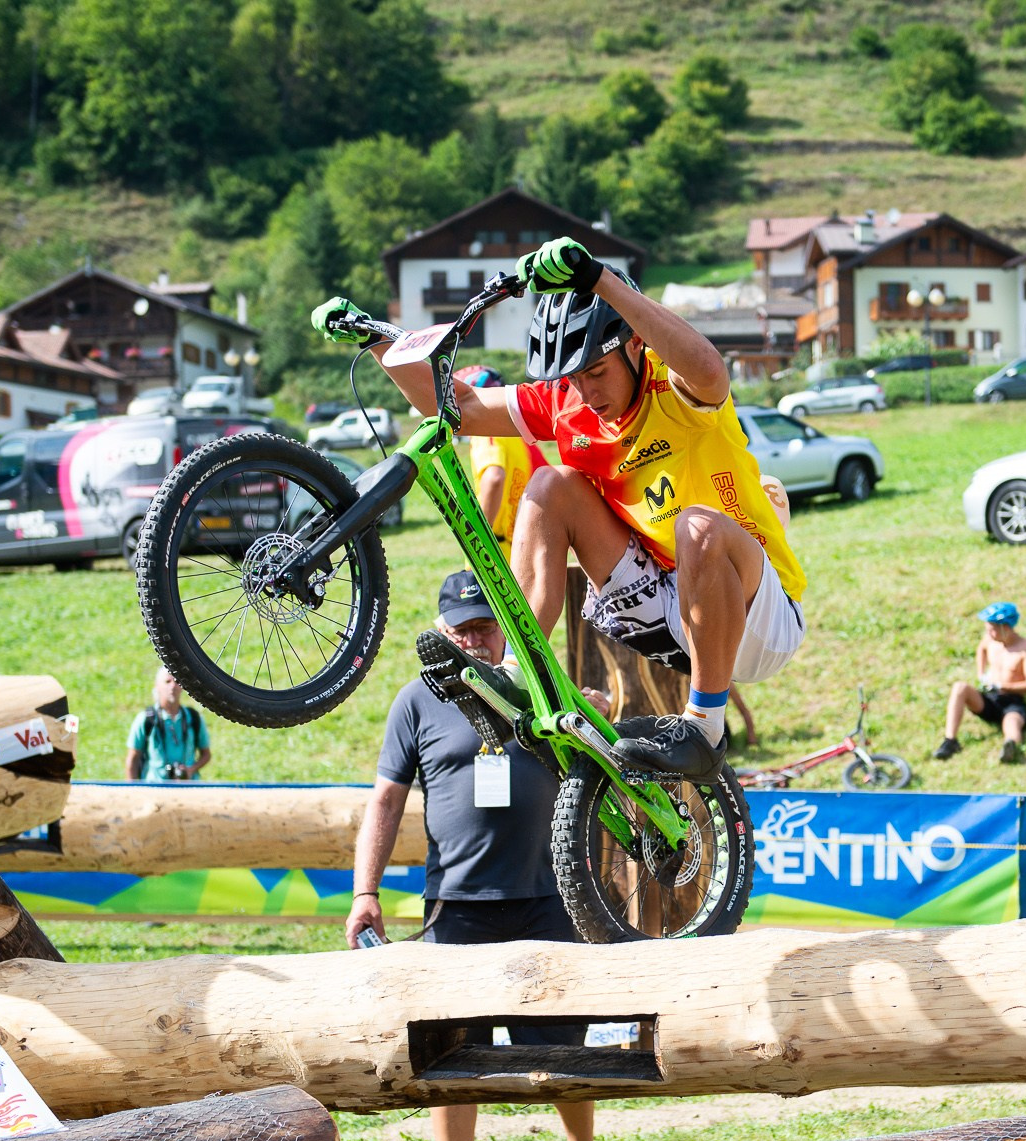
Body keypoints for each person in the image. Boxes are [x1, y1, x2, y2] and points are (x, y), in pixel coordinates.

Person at [313, 237, 806, 784]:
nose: (585, 391)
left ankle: (706, 727)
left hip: (754, 619)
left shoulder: (679, 388)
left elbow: (711, 369)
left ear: (635, 345)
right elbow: (463, 406)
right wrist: (378, 339)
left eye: (596, 371)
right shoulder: (569, 402)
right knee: (551, 485)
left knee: (697, 526)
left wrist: (598, 279)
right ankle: (517, 672)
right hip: (659, 611)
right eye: (572, 377)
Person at [347, 570, 612, 1141]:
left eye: (485, 627)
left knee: (561, 1050)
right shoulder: (416, 701)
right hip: (457, 905)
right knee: (451, 1058)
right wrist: (366, 893)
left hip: (550, 898)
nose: (475, 641)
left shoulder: (538, 687)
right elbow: (384, 802)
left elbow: (602, 757)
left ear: (503, 631)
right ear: (442, 632)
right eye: (462, 630)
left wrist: (596, 715)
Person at [456, 366, 548, 551]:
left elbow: (494, 478)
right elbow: (548, 482)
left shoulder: (485, 432)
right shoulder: (520, 437)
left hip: (493, 554)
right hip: (520, 551)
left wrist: (476, 542)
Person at [935, 603, 1026, 764]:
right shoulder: (990, 641)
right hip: (989, 698)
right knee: (959, 687)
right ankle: (950, 741)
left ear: (1006, 627)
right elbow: (981, 650)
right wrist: (981, 673)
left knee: (1012, 721)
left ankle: (1010, 746)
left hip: (1012, 701)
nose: (989, 634)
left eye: (992, 629)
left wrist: (1003, 686)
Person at [124, 667, 211, 781]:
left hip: (188, 787)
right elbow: (133, 759)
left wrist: (190, 770)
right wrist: (133, 788)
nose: (173, 686)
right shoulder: (146, 720)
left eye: (177, 682)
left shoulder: (194, 718)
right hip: (154, 787)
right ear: (157, 686)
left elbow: (206, 754)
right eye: (167, 682)